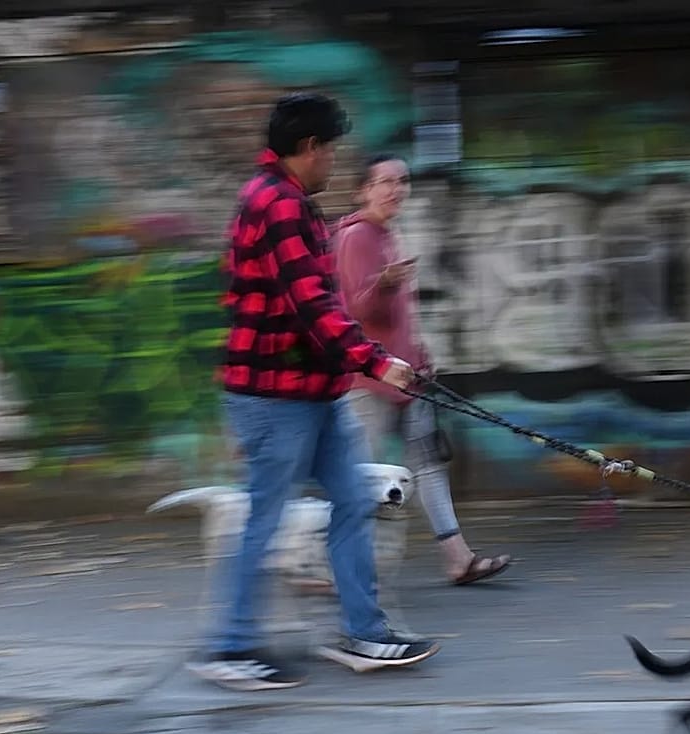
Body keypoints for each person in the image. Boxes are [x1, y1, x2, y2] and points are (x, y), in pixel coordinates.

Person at [190, 94, 439, 692]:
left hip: (313, 392)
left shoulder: (288, 201)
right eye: (331, 149)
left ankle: (365, 633)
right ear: (309, 148)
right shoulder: (276, 205)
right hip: (272, 396)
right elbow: (315, 309)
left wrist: (367, 366)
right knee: (264, 519)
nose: (334, 161)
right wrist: (380, 365)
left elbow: (316, 311)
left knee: (353, 502)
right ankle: (230, 647)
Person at [334, 154, 513, 586]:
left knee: (430, 466)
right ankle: (336, 567)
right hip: (369, 380)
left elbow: (399, 318)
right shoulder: (356, 236)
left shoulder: (389, 235)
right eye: (385, 182)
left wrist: (421, 356)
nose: (396, 189)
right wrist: (386, 283)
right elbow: (355, 309)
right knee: (359, 478)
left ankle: (458, 559)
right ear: (364, 189)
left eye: (402, 181)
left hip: (409, 378)